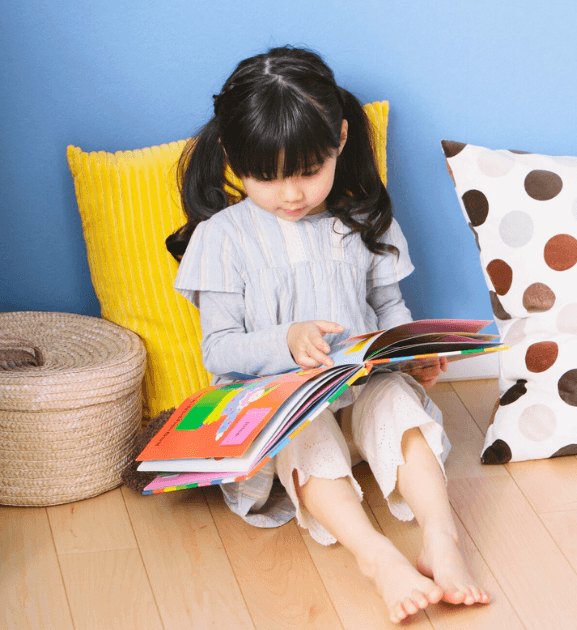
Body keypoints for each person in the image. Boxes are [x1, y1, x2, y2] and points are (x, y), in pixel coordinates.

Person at [165, 46, 489, 623]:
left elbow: (388, 305)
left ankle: (443, 539)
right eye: (266, 176)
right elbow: (218, 349)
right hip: (282, 406)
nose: (290, 194)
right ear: (230, 157)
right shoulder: (223, 238)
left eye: (307, 171)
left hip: (361, 388)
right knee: (302, 426)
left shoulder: (362, 220)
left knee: (397, 403)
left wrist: (411, 354)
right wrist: (285, 341)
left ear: (340, 139)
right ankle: (378, 557)